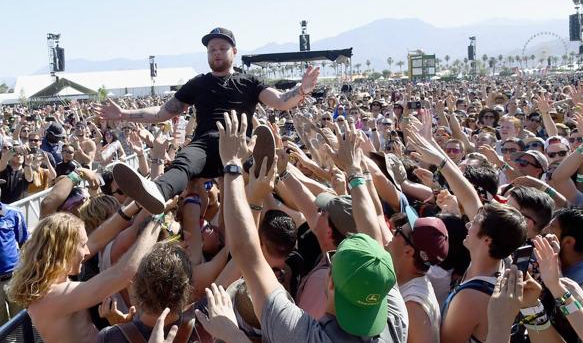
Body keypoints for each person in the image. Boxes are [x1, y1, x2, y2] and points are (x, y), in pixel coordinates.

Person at [213, 111, 408, 342]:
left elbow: (247, 255)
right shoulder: (395, 320)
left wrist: (233, 164)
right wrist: (354, 173)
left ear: (331, 281)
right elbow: (373, 239)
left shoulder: (304, 336)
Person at [96, 27, 320, 214]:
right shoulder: (198, 84)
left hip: (238, 145)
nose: (217, 53)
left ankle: (316, 208)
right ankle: (159, 192)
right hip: (204, 146)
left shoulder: (249, 81)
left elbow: (280, 101)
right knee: (183, 162)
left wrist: (301, 90)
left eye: (222, 48)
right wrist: (123, 114)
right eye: (212, 49)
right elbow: (162, 113)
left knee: (269, 177)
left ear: (234, 51)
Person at [7, 209, 161, 343]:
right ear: (64, 250)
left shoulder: (54, 281)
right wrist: (157, 220)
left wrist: (133, 206)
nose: (87, 251)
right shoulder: (53, 295)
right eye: (82, 245)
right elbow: (123, 273)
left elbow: (97, 240)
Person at [440, 203, 527, 343]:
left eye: (474, 222)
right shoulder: (499, 264)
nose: (468, 225)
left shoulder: (472, 297)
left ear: (487, 240)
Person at [390, 215, 449, 343]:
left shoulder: (413, 305)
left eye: (398, 231)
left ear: (408, 252)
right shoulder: (410, 280)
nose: (393, 231)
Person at [0, 196, 27, 324]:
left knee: (20, 320)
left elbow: (24, 243)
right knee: (2, 326)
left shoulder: (14, 213)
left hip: (13, 278)